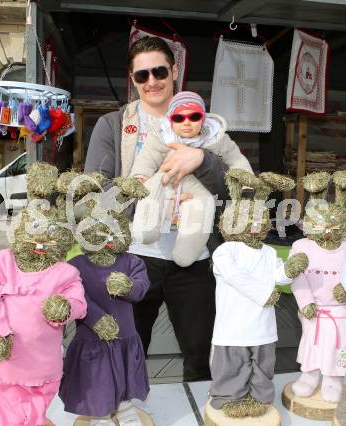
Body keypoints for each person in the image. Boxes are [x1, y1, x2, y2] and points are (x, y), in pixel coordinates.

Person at [85, 36, 251, 381]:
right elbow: (94, 197)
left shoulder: (206, 126)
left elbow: (239, 188)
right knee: (127, 351)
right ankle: (127, 412)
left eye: (159, 71)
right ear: (132, 80)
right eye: (142, 75)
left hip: (196, 257)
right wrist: (152, 186)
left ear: (174, 70)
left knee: (202, 355)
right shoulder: (113, 126)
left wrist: (202, 161)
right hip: (136, 256)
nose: (152, 81)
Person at [130, 91, 252, 267]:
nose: (186, 122)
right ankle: (144, 230)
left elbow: (236, 159)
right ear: (171, 119)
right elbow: (147, 157)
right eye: (179, 118)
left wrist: (246, 182)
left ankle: (186, 252)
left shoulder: (217, 139)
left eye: (194, 116)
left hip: (198, 190)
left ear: (202, 118)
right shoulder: (162, 136)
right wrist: (139, 177)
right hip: (166, 182)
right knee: (151, 190)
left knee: (202, 206)